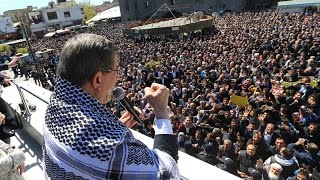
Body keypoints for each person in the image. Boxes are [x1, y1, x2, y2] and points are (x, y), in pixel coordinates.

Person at [43, 34, 179, 179]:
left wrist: (113, 128)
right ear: (98, 79)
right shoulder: (112, 150)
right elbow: (168, 173)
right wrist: (161, 111)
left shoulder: (53, 110)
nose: (118, 77)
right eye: (115, 71)